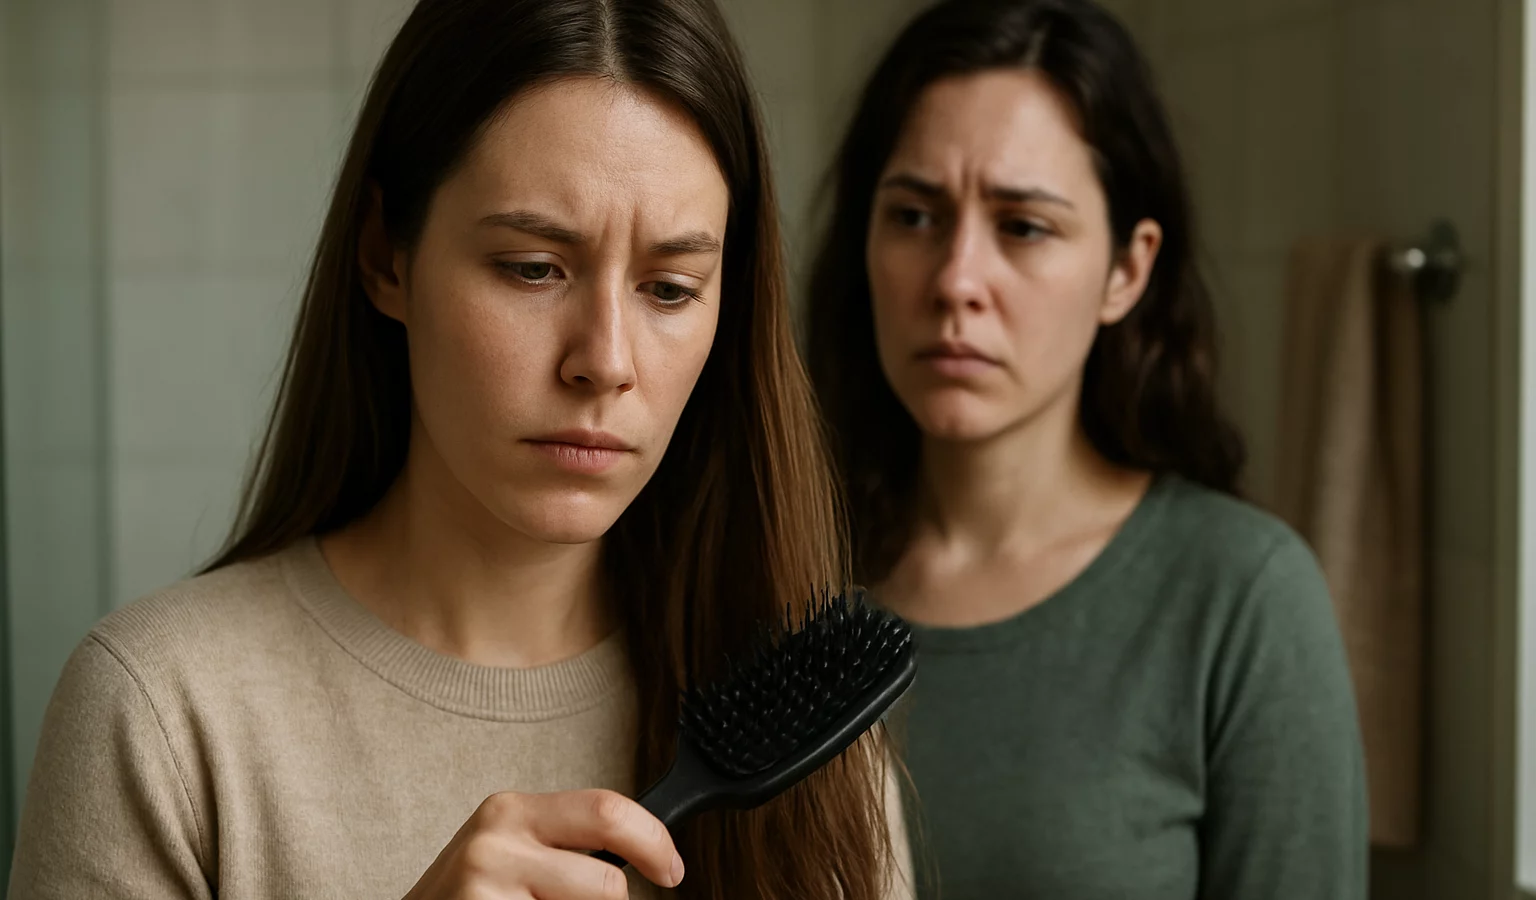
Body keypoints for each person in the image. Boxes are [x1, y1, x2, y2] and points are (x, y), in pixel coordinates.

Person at [9, 1, 911, 898]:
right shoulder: (164, 713)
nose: (605, 361)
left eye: (670, 288)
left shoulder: (809, 725)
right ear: (385, 256)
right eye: (533, 268)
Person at [804, 0, 1367, 897]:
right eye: (913, 215)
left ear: (1126, 270)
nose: (955, 280)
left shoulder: (1242, 599)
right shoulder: (784, 575)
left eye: (1023, 226)